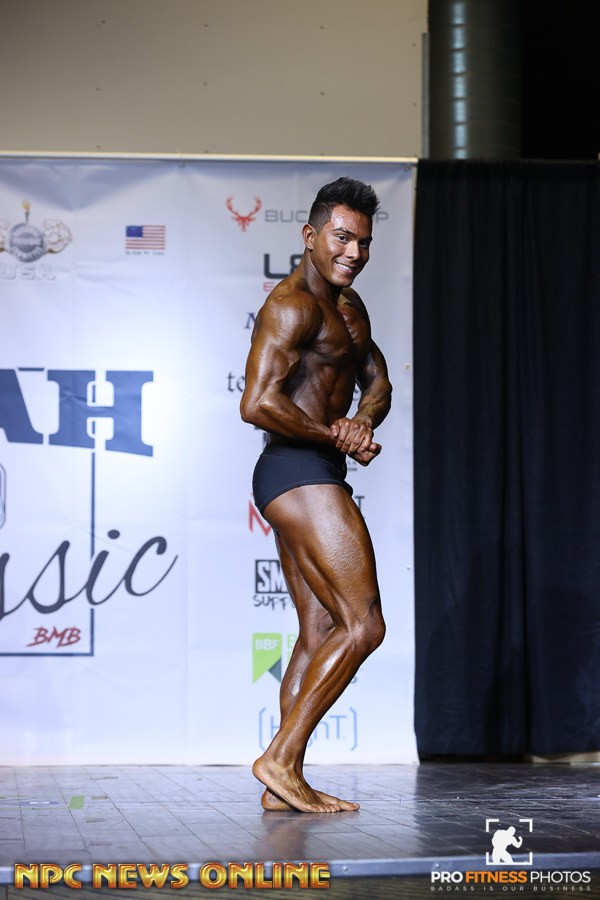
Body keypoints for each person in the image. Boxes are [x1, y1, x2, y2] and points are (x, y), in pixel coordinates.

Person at [240, 177, 392, 813]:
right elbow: (256, 403)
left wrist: (363, 421)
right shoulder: (291, 307)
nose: (354, 252)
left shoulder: (350, 307)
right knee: (364, 623)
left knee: (320, 628)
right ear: (310, 235)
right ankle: (280, 758)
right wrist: (334, 433)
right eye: (342, 237)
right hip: (296, 468)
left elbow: (377, 380)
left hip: (314, 467)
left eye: (363, 242)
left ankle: (282, 784)